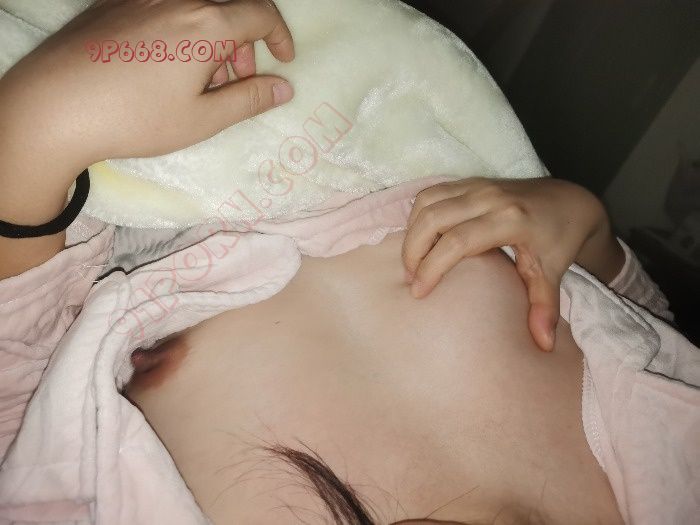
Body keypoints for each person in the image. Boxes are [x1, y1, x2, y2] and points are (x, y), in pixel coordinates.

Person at [0, 1, 696, 524]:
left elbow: (17, 430)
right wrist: (586, 230)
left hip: (80, 177)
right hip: (374, 91)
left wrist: (35, 126)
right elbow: (646, 325)